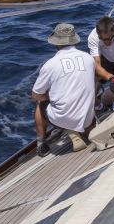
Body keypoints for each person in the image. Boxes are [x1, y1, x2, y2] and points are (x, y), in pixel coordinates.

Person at [31, 23, 95, 157]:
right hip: (88, 118)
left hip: (64, 118)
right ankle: (83, 128)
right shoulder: (88, 58)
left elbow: (36, 95)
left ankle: (41, 144)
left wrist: (47, 98)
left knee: (40, 105)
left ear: (56, 42)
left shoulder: (50, 65)